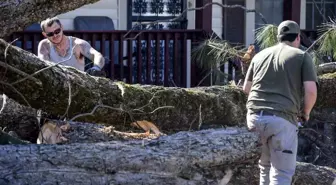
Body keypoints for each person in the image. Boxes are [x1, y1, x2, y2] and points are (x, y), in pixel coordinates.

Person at [242, 20, 318, 185]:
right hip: (281, 120)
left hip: (254, 118)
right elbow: (311, 91)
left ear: (278, 37)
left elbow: (246, 88)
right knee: (281, 174)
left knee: (265, 168)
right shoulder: (302, 56)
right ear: (298, 38)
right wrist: (305, 113)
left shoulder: (259, 56)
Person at [37, 17, 105, 76]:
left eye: (57, 31)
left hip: (79, 85)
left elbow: (97, 55)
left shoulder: (78, 44)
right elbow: (43, 66)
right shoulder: (45, 45)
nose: (55, 35)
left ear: (62, 28)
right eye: (50, 34)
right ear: (45, 35)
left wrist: (96, 68)